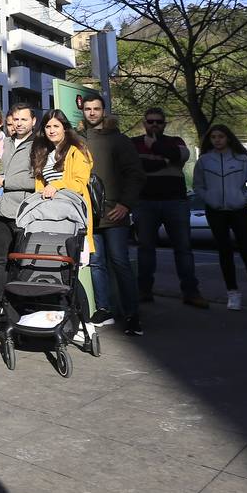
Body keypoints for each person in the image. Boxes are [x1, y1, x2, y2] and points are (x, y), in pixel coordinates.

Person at [80, 95, 146, 336]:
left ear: (104, 111)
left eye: (96, 108)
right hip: (90, 214)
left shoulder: (119, 140)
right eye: (88, 109)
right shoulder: (78, 140)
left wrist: (126, 204)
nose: (92, 113)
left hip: (115, 213)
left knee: (120, 263)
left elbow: (135, 175)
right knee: (97, 264)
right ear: (83, 111)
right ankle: (104, 309)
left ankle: (132, 315)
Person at [133, 108, 207, 308]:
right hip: (145, 202)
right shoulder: (134, 143)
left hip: (176, 202)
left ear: (164, 124)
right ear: (144, 123)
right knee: (146, 249)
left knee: (183, 249)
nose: (154, 125)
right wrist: (166, 159)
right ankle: (144, 291)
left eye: (159, 121)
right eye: (151, 121)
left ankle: (191, 292)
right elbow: (138, 167)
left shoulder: (176, 141)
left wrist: (155, 147)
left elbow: (182, 155)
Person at [194, 124, 247, 313]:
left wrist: (242, 200)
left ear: (228, 138)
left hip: (239, 211)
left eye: (221, 136)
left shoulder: (242, 160)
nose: (217, 140)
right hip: (216, 211)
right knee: (224, 252)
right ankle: (232, 294)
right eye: (214, 137)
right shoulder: (203, 161)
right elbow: (198, 185)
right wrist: (210, 199)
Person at [0, 102, 37, 307]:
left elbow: (38, 180)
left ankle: (20, 300)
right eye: (16, 119)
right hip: (0, 210)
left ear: (33, 121)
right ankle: (2, 302)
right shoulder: (8, 142)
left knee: (21, 259)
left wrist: (5, 181)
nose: (19, 124)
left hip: (23, 211)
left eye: (24, 119)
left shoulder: (39, 145)